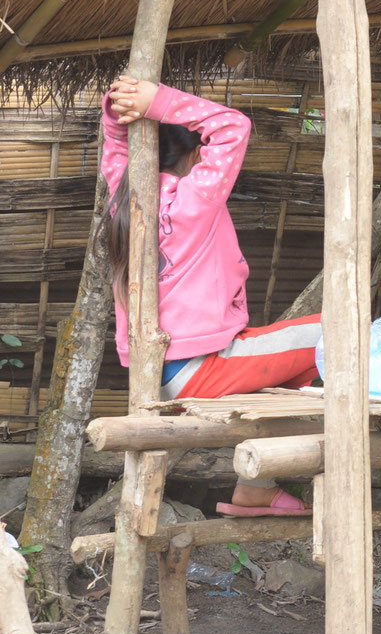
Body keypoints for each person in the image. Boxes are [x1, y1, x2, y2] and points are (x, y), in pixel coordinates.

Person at [102, 77, 322, 518]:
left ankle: (255, 489)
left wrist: (117, 108)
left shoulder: (122, 194)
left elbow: (114, 145)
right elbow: (233, 125)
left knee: (287, 366)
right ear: (198, 155)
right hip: (199, 368)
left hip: (164, 370)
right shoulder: (192, 199)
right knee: (336, 331)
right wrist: (156, 101)